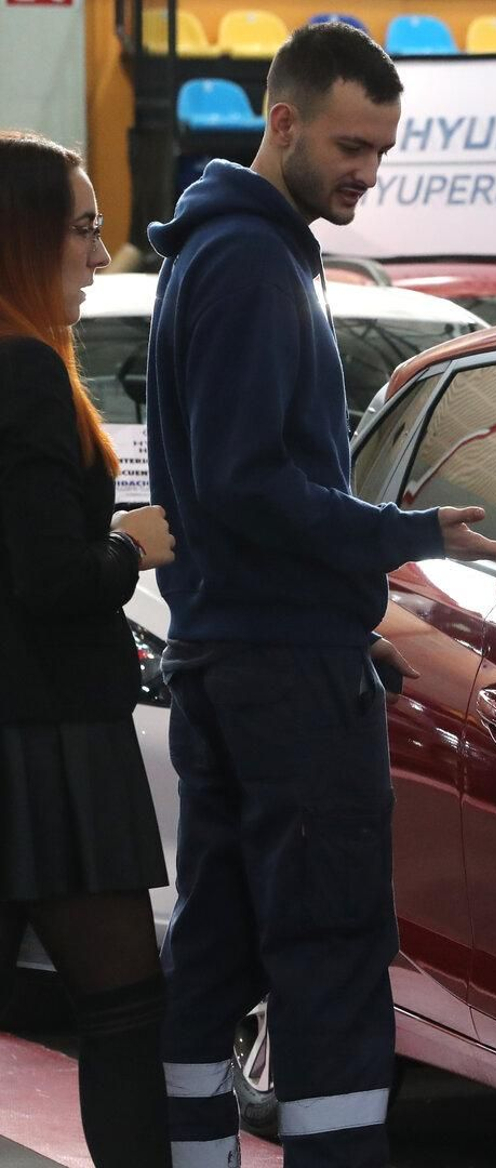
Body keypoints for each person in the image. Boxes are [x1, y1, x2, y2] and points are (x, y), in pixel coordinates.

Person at [143, 23, 496, 1168]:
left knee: (218, 941)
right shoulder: (252, 264)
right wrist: (406, 531)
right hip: (282, 663)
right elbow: (249, 484)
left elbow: (230, 483)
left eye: (382, 149)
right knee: (324, 949)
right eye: (351, 144)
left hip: (228, 653)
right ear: (282, 121)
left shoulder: (223, 254)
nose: (367, 170)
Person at [0, 130, 178, 1167]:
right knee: (123, 1014)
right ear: (25, 237)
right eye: (83, 231)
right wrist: (132, 544)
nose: (100, 257)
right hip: (48, 742)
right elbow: (51, 578)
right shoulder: (23, 370)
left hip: (39, 733)